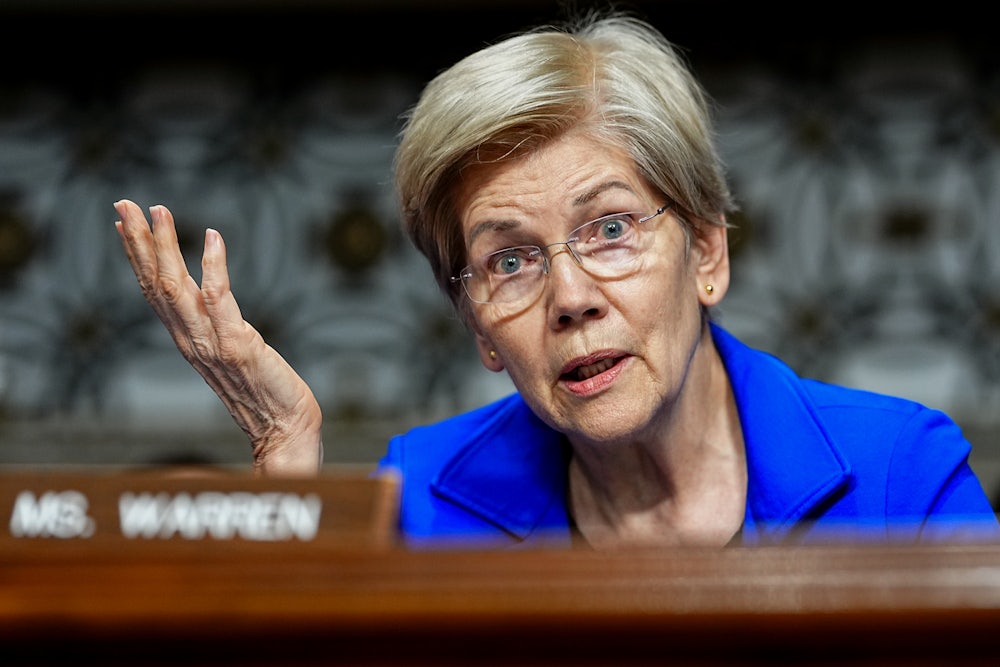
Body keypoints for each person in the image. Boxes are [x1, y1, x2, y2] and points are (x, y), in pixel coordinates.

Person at [114, 10, 999, 549]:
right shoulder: (419, 502)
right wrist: (286, 458)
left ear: (707, 253)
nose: (570, 297)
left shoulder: (900, 477)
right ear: (477, 325)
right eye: (509, 260)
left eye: (610, 229)